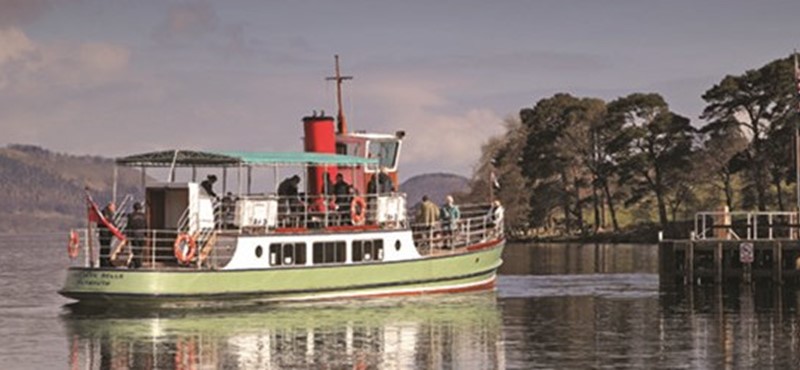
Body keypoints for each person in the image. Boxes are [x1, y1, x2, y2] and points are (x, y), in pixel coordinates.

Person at [126, 202, 147, 268]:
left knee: (135, 250)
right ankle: (136, 263)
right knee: (140, 250)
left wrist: (128, 235)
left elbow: (129, 226)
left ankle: (137, 264)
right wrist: (146, 235)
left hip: (134, 234)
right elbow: (146, 225)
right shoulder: (144, 216)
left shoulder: (131, 215)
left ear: (134, 208)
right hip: (142, 234)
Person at [98, 202, 116, 267]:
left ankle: (106, 261)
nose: (114, 209)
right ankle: (104, 262)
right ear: (109, 206)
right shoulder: (105, 213)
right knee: (104, 248)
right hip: (105, 234)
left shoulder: (109, 213)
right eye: (113, 207)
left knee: (107, 248)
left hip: (108, 234)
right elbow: (108, 222)